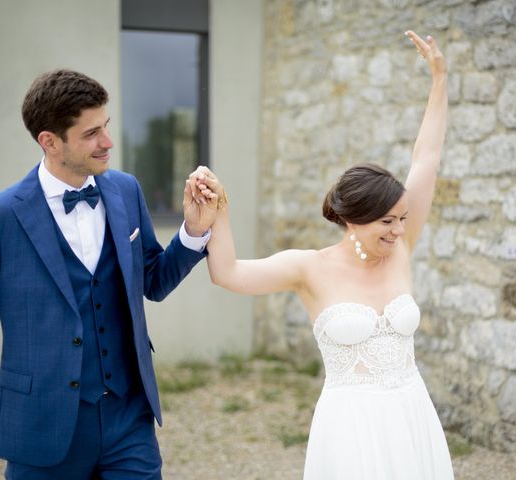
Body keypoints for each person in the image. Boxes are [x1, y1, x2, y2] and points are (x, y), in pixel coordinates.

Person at [189, 30, 454, 479]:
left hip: (411, 412)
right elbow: (228, 273)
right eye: (386, 221)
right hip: (350, 426)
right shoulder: (309, 267)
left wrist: (440, 79)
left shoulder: (402, 248)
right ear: (353, 219)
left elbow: (426, 157)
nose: (398, 229)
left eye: (402, 218)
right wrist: (220, 214)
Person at [0, 69, 217, 479]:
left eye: (106, 126)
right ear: (49, 141)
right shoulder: (0, 216)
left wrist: (194, 232)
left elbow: (154, 280)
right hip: (44, 426)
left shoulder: (125, 190)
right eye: (91, 133)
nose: (108, 141)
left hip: (128, 419)